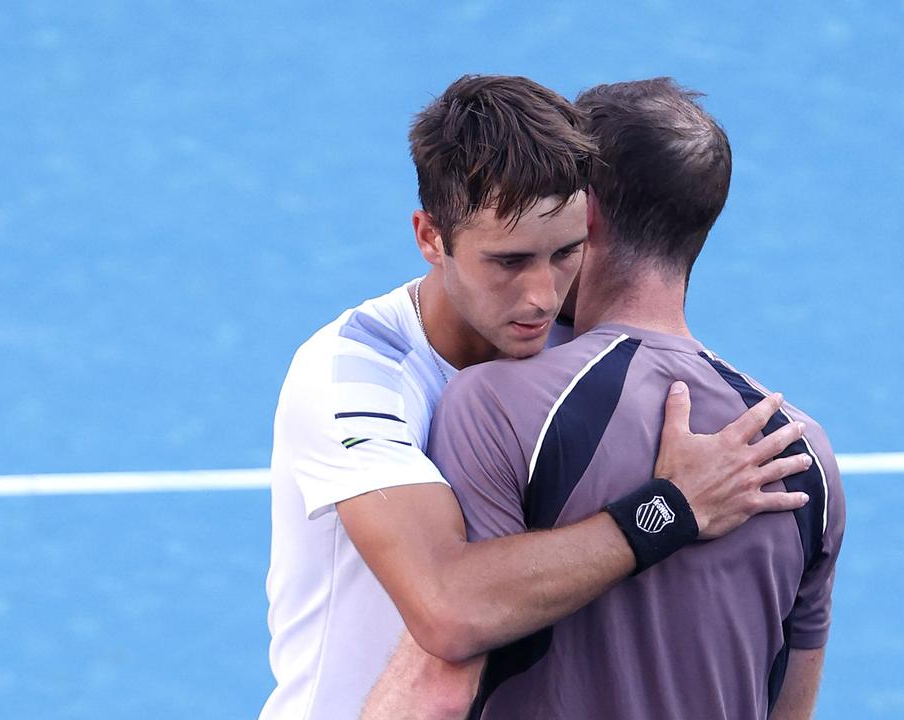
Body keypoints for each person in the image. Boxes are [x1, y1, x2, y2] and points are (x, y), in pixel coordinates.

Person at [259, 75, 815, 720]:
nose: (542, 297)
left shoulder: (570, 351)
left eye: (566, 253)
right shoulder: (354, 374)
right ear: (430, 236)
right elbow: (449, 611)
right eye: (509, 261)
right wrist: (671, 508)